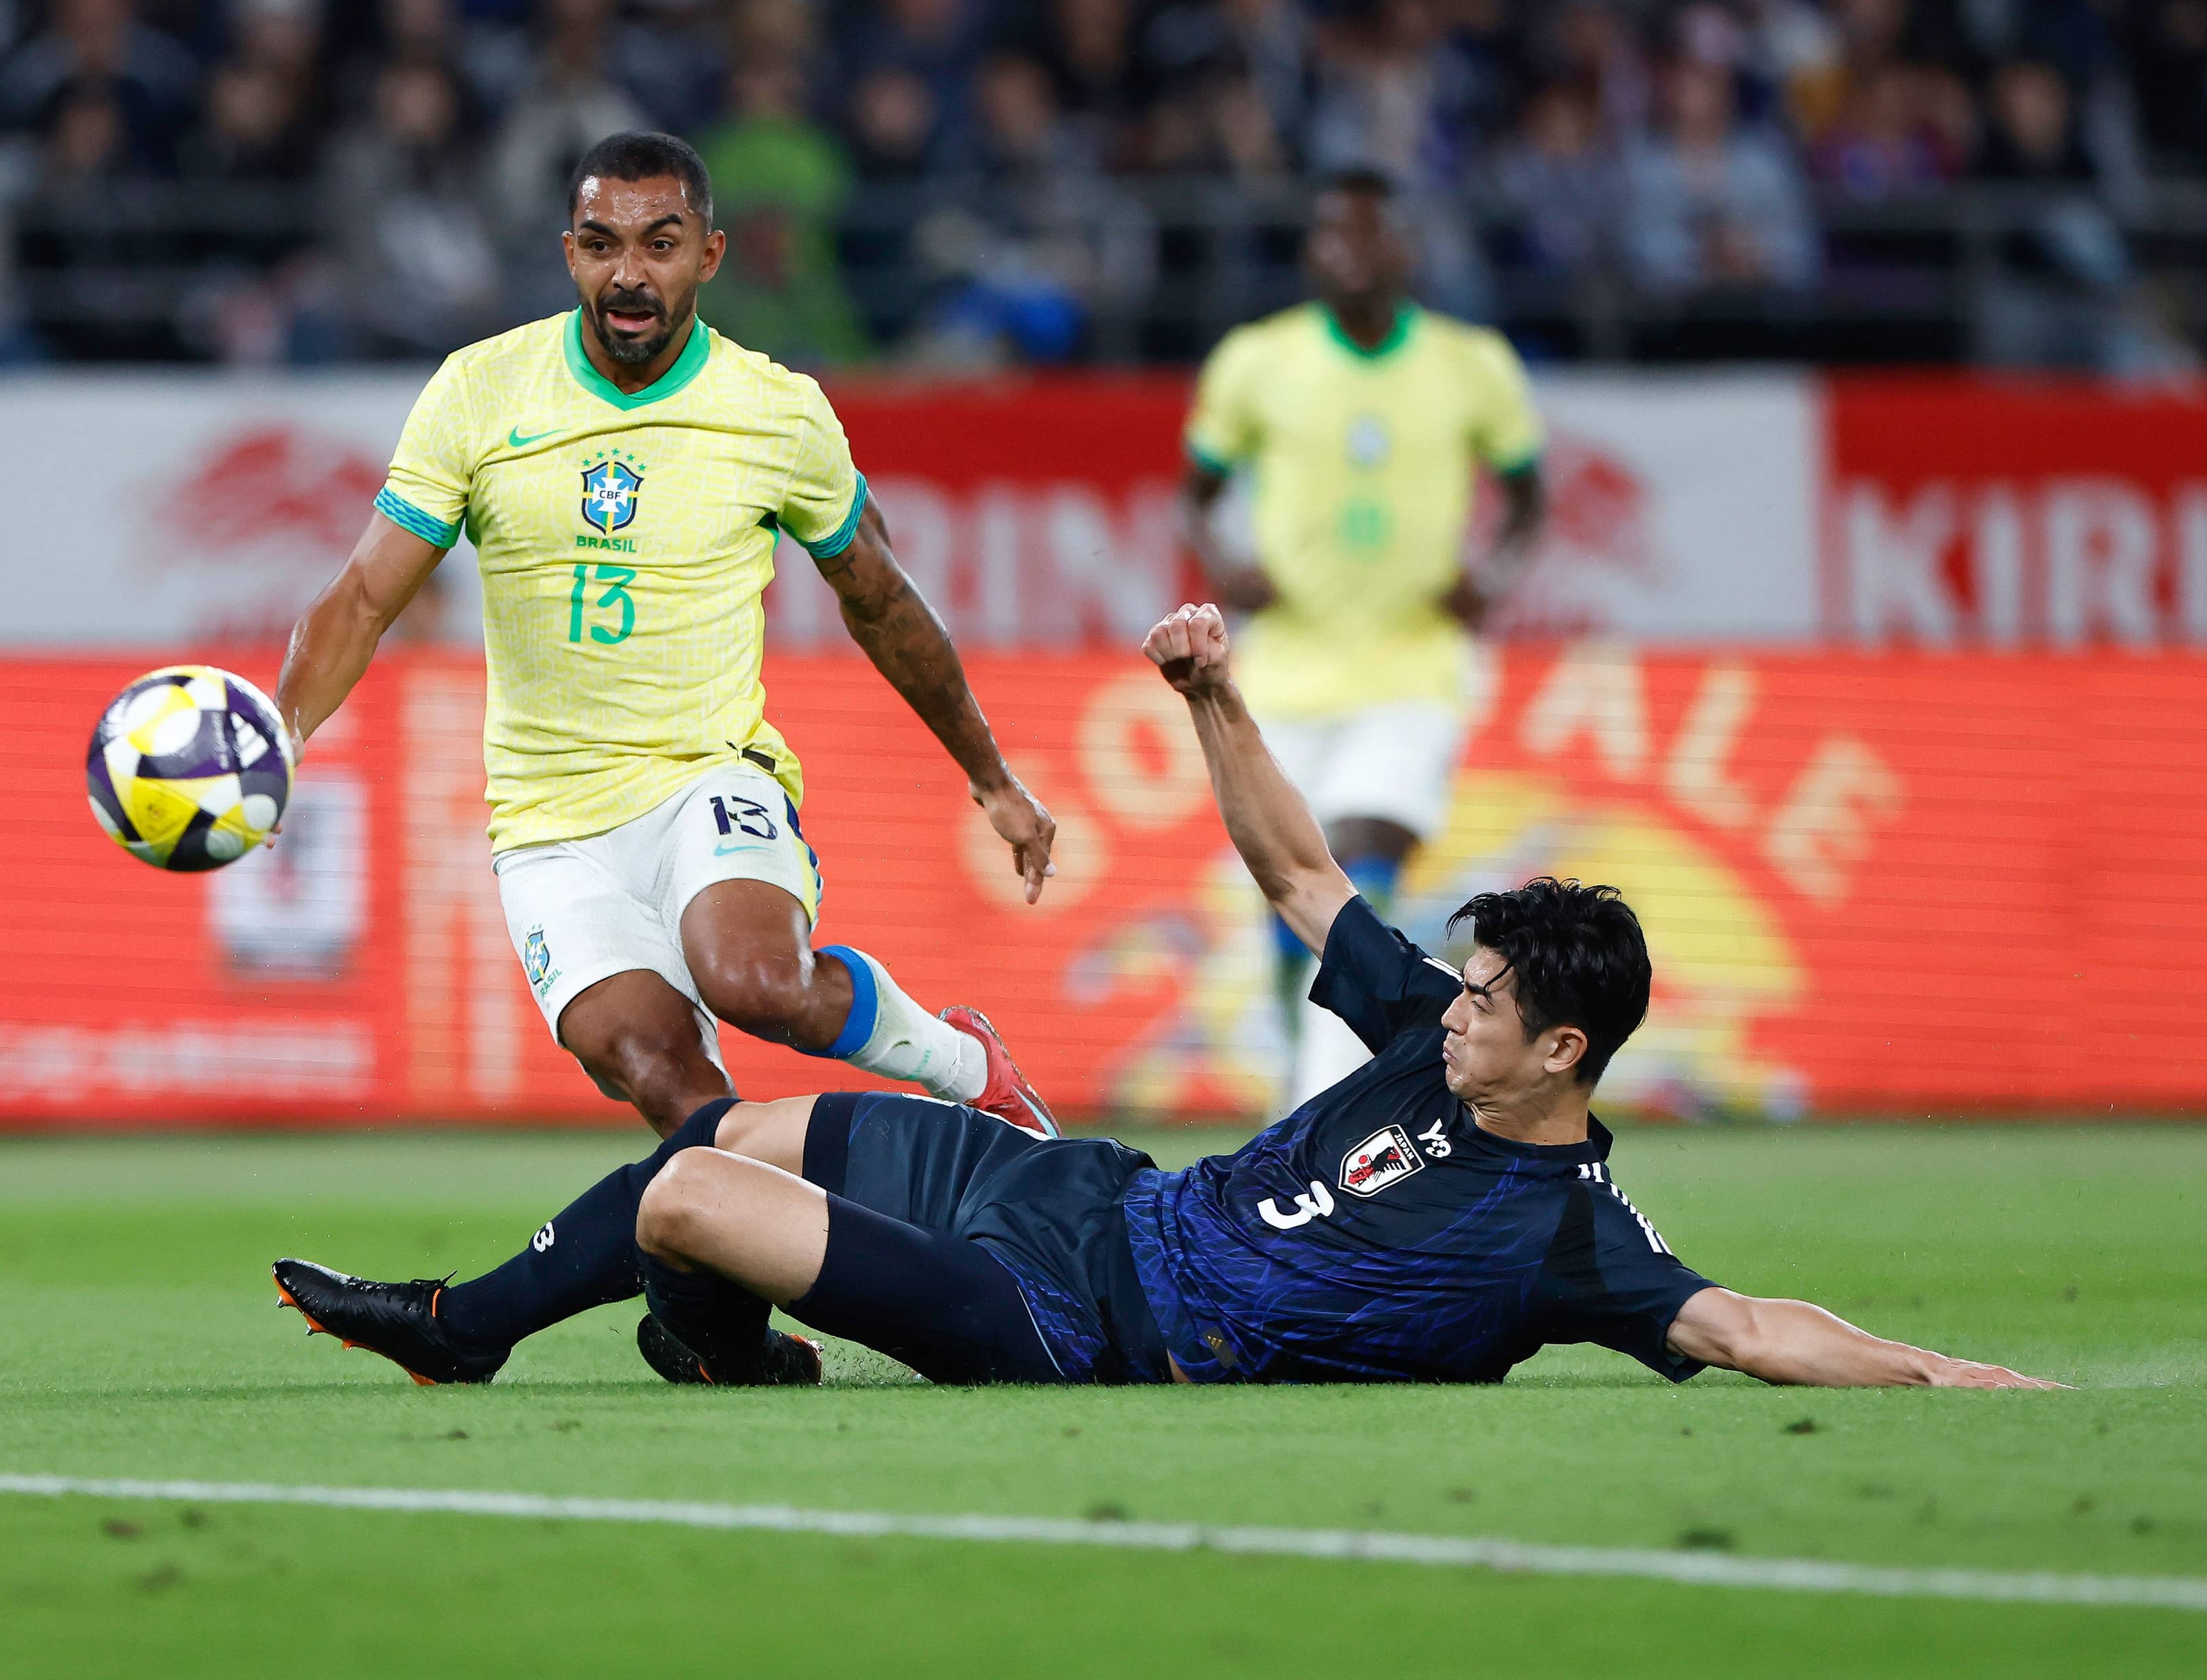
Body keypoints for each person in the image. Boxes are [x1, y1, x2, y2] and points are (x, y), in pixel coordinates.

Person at [272, 603, 2060, 1395]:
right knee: (736, 1126)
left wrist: (1949, 1370)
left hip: (1068, 1327)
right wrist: (1213, 694)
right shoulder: (1436, 1035)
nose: (1451, 1007)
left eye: (1489, 997)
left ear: (1566, 1052)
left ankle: (635, 1336)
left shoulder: (1568, 1244)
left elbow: (1750, 1333)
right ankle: (534, 1327)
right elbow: (1301, 878)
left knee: (681, 1191)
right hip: (1096, 1195)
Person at [275, 130, 1061, 1142]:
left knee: (757, 981)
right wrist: (283, 736)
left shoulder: (776, 412)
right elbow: (361, 598)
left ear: (711, 255)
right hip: (548, 821)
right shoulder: (480, 392)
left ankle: (965, 1063)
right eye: (603, 246)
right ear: (570, 255)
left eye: (661, 242)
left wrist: (991, 778)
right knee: (660, 1072)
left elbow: (885, 602)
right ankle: (758, 1282)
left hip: (707, 773)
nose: (630, 274)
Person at [1177, 163, 1546, 1115]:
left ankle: (1317, 1119)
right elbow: (1200, 490)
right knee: (1287, 900)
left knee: (1354, 859)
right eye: (1328, 233)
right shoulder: (1258, 361)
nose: (1346, 249)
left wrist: (1491, 577)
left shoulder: (1472, 365)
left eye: (1365, 232)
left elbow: (1529, 495)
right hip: (1287, 674)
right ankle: (1303, 1099)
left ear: (1401, 246)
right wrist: (1227, 566)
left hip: (1412, 668)